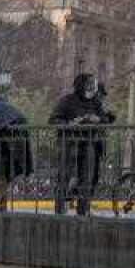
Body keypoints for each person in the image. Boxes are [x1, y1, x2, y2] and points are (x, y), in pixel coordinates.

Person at [49, 73, 115, 216]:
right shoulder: (67, 101)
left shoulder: (96, 102)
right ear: (81, 86)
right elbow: (53, 120)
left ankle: (83, 210)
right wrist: (70, 124)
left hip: (89, 143)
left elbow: (106, 119)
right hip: (69, 143)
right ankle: (59, 211)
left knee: (87, 178)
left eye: (93, 85)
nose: (92, 88)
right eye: (89, 85)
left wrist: (97, 119)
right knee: (64, 176)